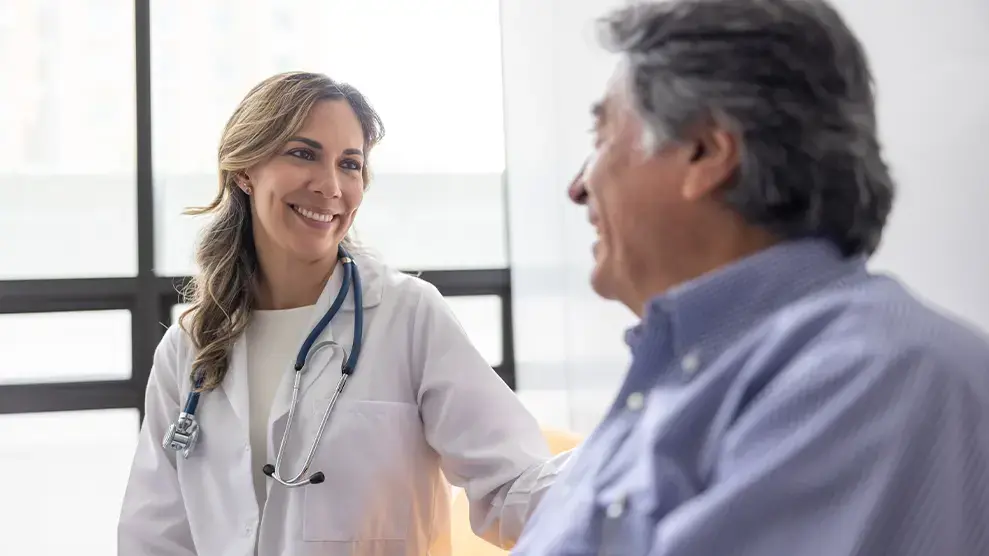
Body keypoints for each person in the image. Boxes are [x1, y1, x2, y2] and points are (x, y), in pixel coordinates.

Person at [511, 1, 989, 554]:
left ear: (706, 153)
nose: (578, 186)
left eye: (601, 139)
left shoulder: (877, 375)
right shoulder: (682, 375)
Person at [118, 71, 567, 556]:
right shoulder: (189, 346)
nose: (331, 186)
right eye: (303, 153)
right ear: (245, 170)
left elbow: (511, 488)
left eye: (349, 164)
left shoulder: (407, 315)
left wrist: (636, 457)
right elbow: (155, 535)